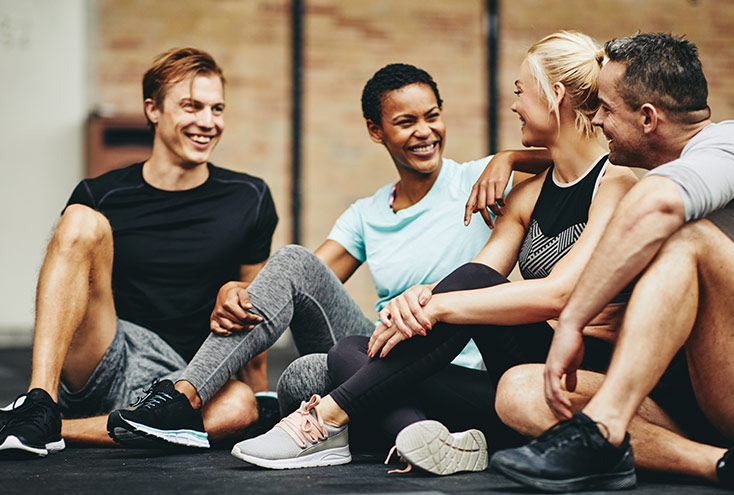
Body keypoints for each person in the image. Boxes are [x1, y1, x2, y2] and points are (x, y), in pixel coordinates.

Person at [225, 31, 638, 473]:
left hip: (577, 374)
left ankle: (325, 421)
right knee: (351, 351)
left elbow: (557, 294)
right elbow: (478, 271)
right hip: (515, 379)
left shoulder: (615, 183)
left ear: (554, 95)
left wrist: (437, 305)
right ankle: (424, 440)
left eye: (520, 91)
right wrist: (418, 301)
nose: (515, 105)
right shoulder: (528, 195)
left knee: (443, 307)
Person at [103, 63, 550, 451]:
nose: (425, 132)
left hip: (455, 368)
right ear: (376, 131)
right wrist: (237, 291)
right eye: (406, 121)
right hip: (380, 353)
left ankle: (401, 430)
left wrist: (511, 157)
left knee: (313, 377)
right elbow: (294, 282)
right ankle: (185, 396)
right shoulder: (367, 213)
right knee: (302, 371)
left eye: (432, 116)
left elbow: (578, 162)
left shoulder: (480, 179)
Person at [489, 33, 734, 494]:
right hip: (690, 391)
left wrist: (572, 320)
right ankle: (730, 464)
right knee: (520, 391)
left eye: (605, 109)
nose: (596, 119)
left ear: (648, 118)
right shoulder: (668, 171)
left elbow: (660, 204)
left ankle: (602, 431)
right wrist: (513, 157)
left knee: (687, 237)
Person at [0, 48, 279, 457]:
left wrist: (262, 404)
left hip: (186, 380)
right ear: (153, 110)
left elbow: (252, 314)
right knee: (80, 220)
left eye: (217, 108)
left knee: (240, 406)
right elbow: (71, 294)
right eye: (192, 106)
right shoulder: (101, 194)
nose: (208, 121)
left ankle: (56, 428)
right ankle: (38, 402)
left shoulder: (249, 197)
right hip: (107, 356)